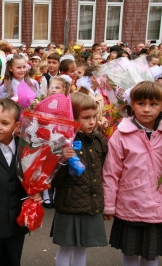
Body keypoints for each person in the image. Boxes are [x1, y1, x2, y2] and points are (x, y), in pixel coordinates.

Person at [0, 98, 42, 266]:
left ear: (17, 126)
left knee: (13, 261)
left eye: (4, 123)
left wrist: (36, 191)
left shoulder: (25, 150)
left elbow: (33, 179)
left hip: (17, 223)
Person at [103, 81, 162, 266]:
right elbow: (111, 172)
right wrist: (109, 205)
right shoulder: (121, 135)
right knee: (129, 253)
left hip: (158, 207)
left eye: (153, 104)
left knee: (151, 255)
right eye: (140, 103)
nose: (146, 109)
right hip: (130, 204)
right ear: (132, 104)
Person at [51, 91, 108, 266]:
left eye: (94, 117)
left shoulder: (99, 140)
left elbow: (102, 168)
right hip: (69, 204)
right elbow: (53, 180)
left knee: (83, 246)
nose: (92, 122)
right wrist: (62, 159)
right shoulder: (62, 142)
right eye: (86, 118)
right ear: (72, 118)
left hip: (89, 202)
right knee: (66, 247)